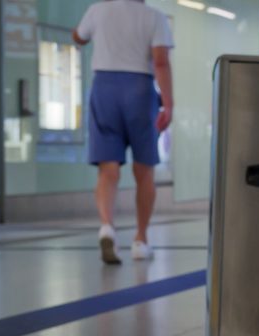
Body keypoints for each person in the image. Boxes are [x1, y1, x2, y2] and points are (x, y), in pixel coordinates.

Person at [72, 0, 174, 265]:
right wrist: (169, 104)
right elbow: (161, 62)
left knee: (108, 169)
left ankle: (107, 226)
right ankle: (141, 240)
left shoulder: (97, 10)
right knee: (144, 170)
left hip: (104, 88)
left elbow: (78, 37)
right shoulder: (154, 17)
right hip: (139, 89)